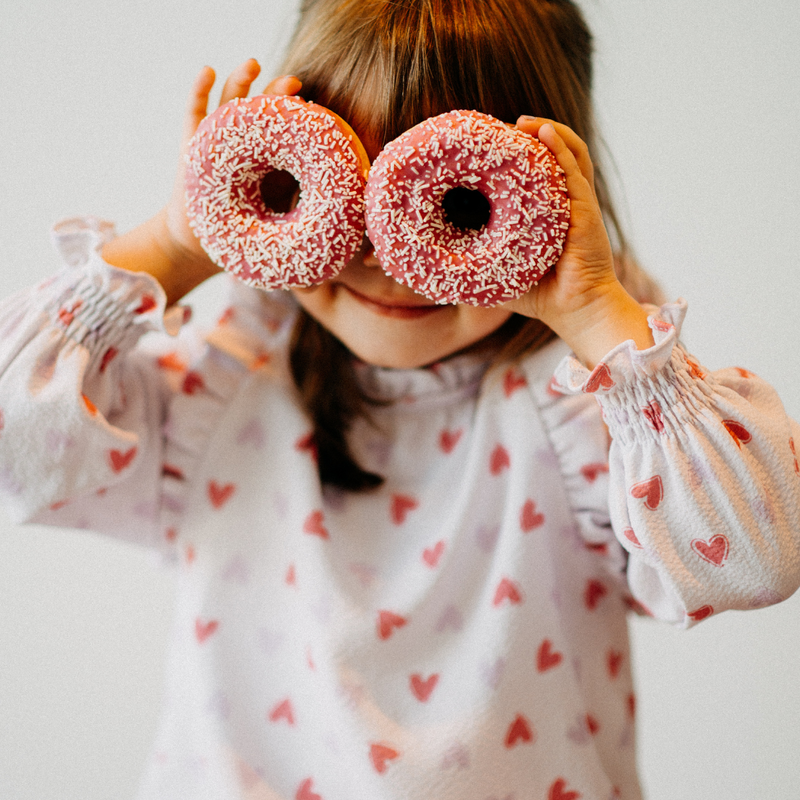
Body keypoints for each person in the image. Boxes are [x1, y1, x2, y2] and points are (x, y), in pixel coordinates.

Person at [0, 0, 798, 797]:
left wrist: (598, 313)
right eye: (334, 187)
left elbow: (759, 559)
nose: (388, 259)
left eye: (458, 203)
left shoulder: (592, 411)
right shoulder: (228, 385)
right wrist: (176, 243)